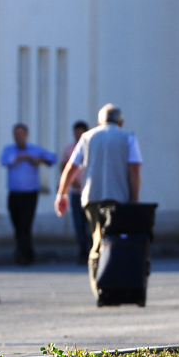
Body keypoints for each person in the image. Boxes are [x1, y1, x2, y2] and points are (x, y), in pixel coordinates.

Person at [53, 104, 143, 267]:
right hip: (118, 198)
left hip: (92, 197)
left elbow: (70, 167)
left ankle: (98, 280)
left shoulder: (87, 137)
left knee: (97, 239)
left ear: (99, 122)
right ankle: (114, 276)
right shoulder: (128, 137)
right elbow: (134, 169)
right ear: (121, 122)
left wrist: (62, 194)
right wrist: (135, 199)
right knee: (115, 238)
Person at [0, 124, 56, 265]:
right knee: (17, 225)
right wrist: (24, 157)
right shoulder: (9, 150)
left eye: (21, 134)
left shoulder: (35, 150)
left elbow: (52, 158)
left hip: (30, 194)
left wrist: (40, 160)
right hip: (14, 193)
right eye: (16, 134)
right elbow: (5, 161)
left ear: (26, 135)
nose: (19, 137)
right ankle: (27, 252)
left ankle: (23, 255)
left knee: (25, 224)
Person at [59, 120, 92, 263]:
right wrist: (70, 183)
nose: (78, 136)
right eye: (76, 134)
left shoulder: (92, 147)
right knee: (78, 224)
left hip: (90, 193)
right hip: (76, 192)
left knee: (90, 223)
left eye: (81, 133)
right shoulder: (70, 148)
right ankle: (82, 251)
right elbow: (65, 167)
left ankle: (93, 251)